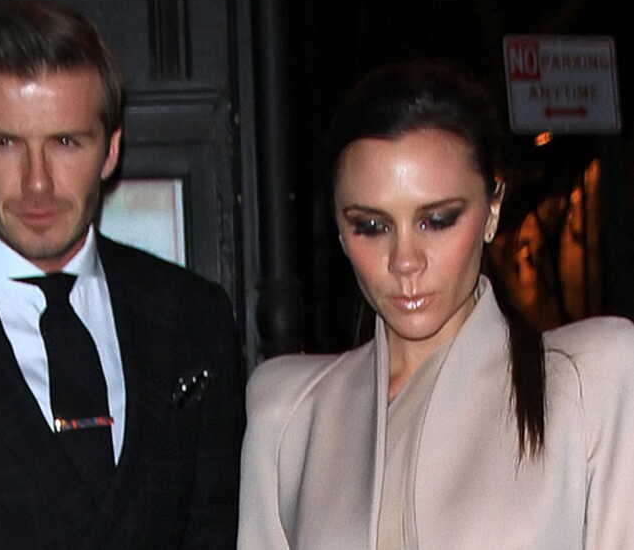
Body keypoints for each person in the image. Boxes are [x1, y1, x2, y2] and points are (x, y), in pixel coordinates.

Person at [0, 0, 244, 550]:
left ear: (111, 149)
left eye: (66, 142)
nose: (38, 184)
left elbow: (217, 526)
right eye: (5, 143)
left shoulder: (192, 316)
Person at [237, 60, 634, 549]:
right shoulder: (288, 413)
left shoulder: (593, 380)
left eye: (437, 220)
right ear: (340, 230)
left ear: (492, 209)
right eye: (371, 226)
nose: (405, 261)